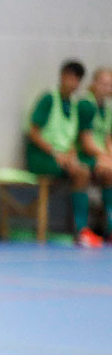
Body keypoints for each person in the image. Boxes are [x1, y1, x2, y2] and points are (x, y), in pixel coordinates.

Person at [25, 60, 94, 247]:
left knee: (83, 171)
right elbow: (33, 132)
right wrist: (56, 153)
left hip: (62, 157)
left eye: (76, 79)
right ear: (62, 77)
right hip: (42, 156)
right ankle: (80, 231)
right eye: (69, 77)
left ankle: (81, 230)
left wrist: (71, 156)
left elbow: (72, 138)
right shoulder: (49, 99)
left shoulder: (75, 105)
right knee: (80, 172)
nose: (72, 82)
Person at [79, 66, 112, 242]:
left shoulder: (107, 109)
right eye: (104, 83)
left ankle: (109, 228)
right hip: (85, 155)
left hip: (100, 156)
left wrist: (110, 156)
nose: (108, 88)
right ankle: (82, 230)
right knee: (109, 171)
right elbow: (86, 142)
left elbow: (107, 140)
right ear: (94, 84)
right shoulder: (86, 104)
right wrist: (106, 158)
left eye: (110, 85)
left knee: (109, 173)